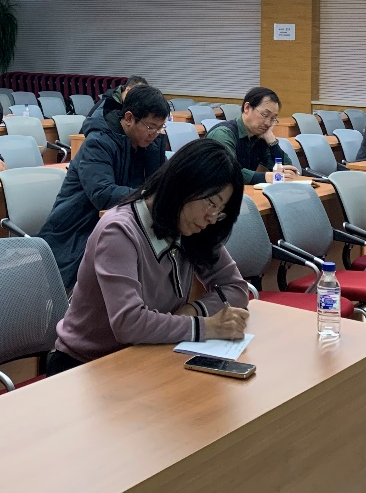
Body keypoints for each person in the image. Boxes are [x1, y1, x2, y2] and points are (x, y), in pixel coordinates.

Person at [48, 139, 251, 374]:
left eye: (220, 212)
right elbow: (129, 323)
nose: (212, 218)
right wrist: (207, 327)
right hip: (87, 366)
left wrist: (194, 311)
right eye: (211, 203)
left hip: (151, 355)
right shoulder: (119, 231)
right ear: (183, 184)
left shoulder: (193, 227)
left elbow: (236, 288)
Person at [39, 84, 169, 288]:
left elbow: (161, 183)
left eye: (160, 128)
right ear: (128, 118)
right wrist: (149, 196)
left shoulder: (150, 144)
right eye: (151, 127)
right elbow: (103, 194)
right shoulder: (98, 143)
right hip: (78, 228)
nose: (154, 134)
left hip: (123, 225)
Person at [205, 86, 298, 184]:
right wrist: (266, 177)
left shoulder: (259, 136)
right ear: (247, 108)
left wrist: (272, 143)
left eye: (273, 118)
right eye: (265, 115)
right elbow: (227, 172)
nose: (268, 123)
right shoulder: (223, 134)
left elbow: (286, 168)